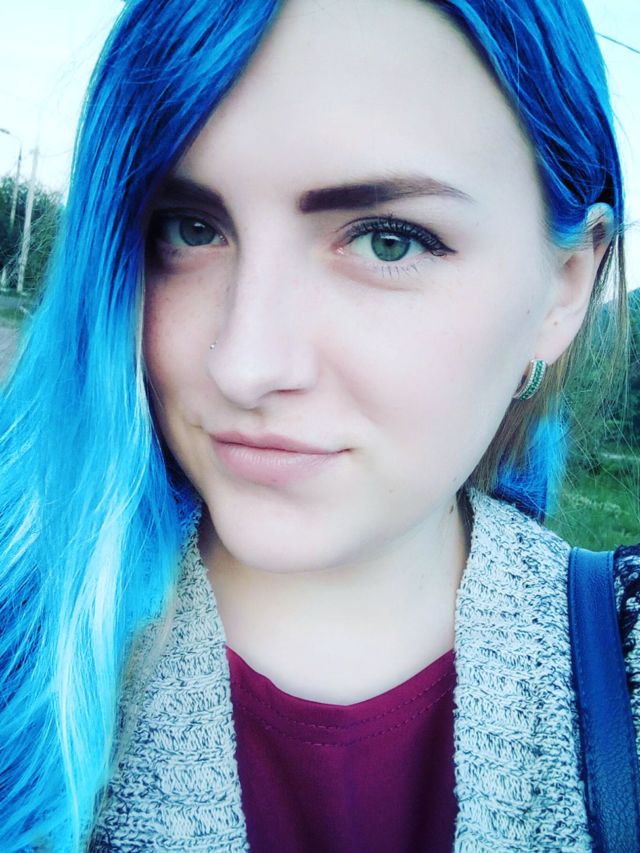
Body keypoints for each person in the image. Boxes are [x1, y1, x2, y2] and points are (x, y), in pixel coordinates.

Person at [1, 0, 638, 850]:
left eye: (387, 241)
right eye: (189, 229)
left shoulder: (623, 670)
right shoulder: (21, 643)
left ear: (564, 287)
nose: (244, 363)